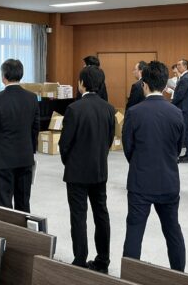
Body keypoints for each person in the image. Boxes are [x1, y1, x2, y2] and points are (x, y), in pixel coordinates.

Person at [122, 60, 186, 271]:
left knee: (134, 231)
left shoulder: (134, 112)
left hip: (140, 181)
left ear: (145, 84)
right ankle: (179, 276)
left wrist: (140, 162)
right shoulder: (176, 113)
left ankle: (129, 277)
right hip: (168, 180)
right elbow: (178, 148)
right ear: (164, 84)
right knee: (172, 230)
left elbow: (128, 148)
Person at [59, 65, 115, 273]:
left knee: (78, 216)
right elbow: (109, 140)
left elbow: (64, 144)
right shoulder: (109, 109)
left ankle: (80, 260)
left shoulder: (74, 109)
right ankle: (103, 261)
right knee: (101, 214)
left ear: (82, 83)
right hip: (99, 170)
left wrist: (69, 162)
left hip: (77, 172)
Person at [0, 59, 40, 212]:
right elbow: (35, 128)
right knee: (23, 202)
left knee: (4, 203)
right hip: (25, 157)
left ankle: (7, 228)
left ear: (4, 76)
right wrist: (31, 150)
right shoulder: (32, 98)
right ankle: (23, 227)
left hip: (3, 158)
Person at [172, 59, 188, 163]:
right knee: (186, 131)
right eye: (177, 65)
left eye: (179, 65)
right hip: (183, 108)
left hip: (184, 109)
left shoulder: (186, 78)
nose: (177, 67)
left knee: (187, 132)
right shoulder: (184, 77)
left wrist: (171, 104)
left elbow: (180, 95)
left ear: (185, 66)